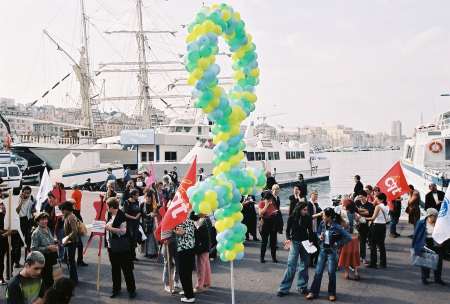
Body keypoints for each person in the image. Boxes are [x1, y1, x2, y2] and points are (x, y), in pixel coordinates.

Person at [306, 208, 351, 301]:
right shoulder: (322, 224)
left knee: (331, 273)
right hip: (322, 250)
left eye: (324, 215)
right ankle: (313, 292)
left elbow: (348, 237)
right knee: (318, 272)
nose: (322, 217)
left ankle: (331, 293)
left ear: (329, 217)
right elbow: (318, 233)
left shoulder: (337, 227)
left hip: (332, 252)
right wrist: (320, 236)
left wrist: (337, 244)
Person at [277, 202, 314, 297]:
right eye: (304, 210)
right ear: (299, 209)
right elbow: (287, 230)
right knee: (291, 265)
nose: (306, 211)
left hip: (305, 242)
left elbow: (310, 231)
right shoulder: (292, 218)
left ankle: (302, 287)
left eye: (306, 210)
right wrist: (288, 239)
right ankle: (283, 289)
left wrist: (311, 241)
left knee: (304, 265)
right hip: (294, 242)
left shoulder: (308, 218)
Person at [105, 197, 137, 299]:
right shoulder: (110, 214)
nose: (107, 208)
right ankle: (116, 289)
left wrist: (110, 228)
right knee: (115, 269)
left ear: (111, 207)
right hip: (112, 247)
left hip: (122, 247)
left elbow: (123, 231)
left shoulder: (121, 216)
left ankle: (131, 290)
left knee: (127, 269)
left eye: (107, 206)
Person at [412, 208, 446, 285]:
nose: (437, 218)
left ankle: (438, 279)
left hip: (436, 244)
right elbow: (416, 235)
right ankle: (424, 278)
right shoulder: (421, 223)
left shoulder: (439, 224)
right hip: (426, 243)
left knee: (438, 262)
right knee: (425, 262)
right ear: (430, 216)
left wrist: (442, 242)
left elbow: (443, 234)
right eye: (435, 216)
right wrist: (414, 247)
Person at [31, 212, 58, 290]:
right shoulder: (36, 233)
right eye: (42, 219)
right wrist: (48, 248)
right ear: (38, 221)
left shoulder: (47, 228)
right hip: (43, 259)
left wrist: (55, 242)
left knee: (52, 278)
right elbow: (33, 249)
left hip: (51, 257)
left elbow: (50, 240)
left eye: (46, 219)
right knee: (45, 281)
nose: (45, 221)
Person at [338, 199, 361, 280]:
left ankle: (347, 273)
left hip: (346, 236)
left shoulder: (342, 213)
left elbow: (341, 225)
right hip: (354, 236)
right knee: (354, 254)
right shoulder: (355, 214)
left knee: (346, 254)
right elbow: (360, 221)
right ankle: (356, 272)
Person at [175, 215, 197, 303]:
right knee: (187, 273)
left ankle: (189, 296)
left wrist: (173, 230)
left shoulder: (181, 220)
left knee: (183, 273)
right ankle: (187, 291)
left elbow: (180, 232)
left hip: (184, 249)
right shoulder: (190, 219)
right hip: (190, 248)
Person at [366, 192, 389, 268]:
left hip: (376, 226)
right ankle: (383, 263)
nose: (375, 198)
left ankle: (373, 263)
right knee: (381, 245)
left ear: (380, 199)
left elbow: (373, 218)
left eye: (376, 197)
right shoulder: (386, 206)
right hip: (383, 226)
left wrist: (364, 218)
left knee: (373, 244)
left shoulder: (378, 207)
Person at [59, 201, 79, 284]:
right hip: (69, 241)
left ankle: (73, 279)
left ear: (67, 209)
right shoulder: (68, 216)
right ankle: (73, 278)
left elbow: (75, 231)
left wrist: (67, 238)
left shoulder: (70, 217)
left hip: (71, 242)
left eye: (63, 210)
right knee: (69, 260)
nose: (62, 212)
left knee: (71, 261)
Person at [193, 213, 212, 293]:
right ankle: (207, 282)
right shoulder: (207, 220)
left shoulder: (201, 223)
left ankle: (199, 286)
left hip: (202, 248)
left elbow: (198, 237)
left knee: (201, 267)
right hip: (206, 247)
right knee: (206, 266)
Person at [258, 191, 279, 263]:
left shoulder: (272, 202)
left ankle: (274, 257)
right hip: (264, 224)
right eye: (269, 199)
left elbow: (274, 210)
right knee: (264, 242)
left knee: (273, 242)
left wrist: (275, 212)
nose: (271, 200)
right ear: (266, 198)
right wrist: (266, 205)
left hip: (272, 223)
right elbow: (260, 213)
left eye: (271, 199)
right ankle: (262, 258)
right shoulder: (262, 203)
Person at [355, 191, 374, 265]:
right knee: (360, 242)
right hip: (358, 225)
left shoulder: (370, 205)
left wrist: (359, 213)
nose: (360, 198)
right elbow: (355, 211)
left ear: (365, 197)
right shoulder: (357, 203)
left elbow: (369, 213)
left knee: (368, 242)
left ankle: (368, 258)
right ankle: (361, 257)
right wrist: (362, 212)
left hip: (367, 225)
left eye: (361, 196)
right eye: (359, 196)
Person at [16, 186, 36, 257]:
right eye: (25, 193)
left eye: (28, 193)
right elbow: (17, 211)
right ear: (22, 192)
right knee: (18, 241)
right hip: (20, 220)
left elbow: (34, 209)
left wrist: (33, 211)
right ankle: (17, 261)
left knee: (28, 240)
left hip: (28, 220)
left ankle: (27, 259)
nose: (27, 195)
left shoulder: (32, 198)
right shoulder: (17, 198)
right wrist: (21, 201)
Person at [70, 185, 87, 267]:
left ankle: (73, 261)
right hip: (74, 233)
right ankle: (79, 261)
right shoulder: (79, 192)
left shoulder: (74, 193)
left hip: (72, 234)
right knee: (79, 246)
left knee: (75, 247)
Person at [123, 189, 141, 261]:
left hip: (136, 223)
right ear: (133, 195)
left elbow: (139, 211)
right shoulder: (126, 202)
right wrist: (134, 217)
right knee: (130, 239)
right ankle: (128, 256)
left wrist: (138, 215)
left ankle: (133, 256)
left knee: (134, 239)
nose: (138, 196)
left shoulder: (137, 201)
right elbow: (125, 213)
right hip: (129, 223)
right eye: (137, 195)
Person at [140, 191, 158, 258]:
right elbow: (141, 214)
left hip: (153, 223)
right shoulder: (142, 204)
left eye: (150, 197)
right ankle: (146, 252)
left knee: (152, 237)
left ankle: (152, 252)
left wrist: (154, 214)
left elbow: (157, 213)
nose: (148, 198)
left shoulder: (154, 205)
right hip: (145, 223)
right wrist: (149, 215)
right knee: (145, 237)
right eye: (147, 197)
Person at [307, 191, 322, 267]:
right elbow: (310, 216)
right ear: (311, 195)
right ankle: (311, 262)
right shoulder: (309, 204)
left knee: (316, 245)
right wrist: (319, 214)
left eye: (317, 195)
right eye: (315, 195)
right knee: (313, 245)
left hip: (315, 228)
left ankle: (314, 261)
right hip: (311, 228)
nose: (316, 196)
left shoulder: (315, 204)